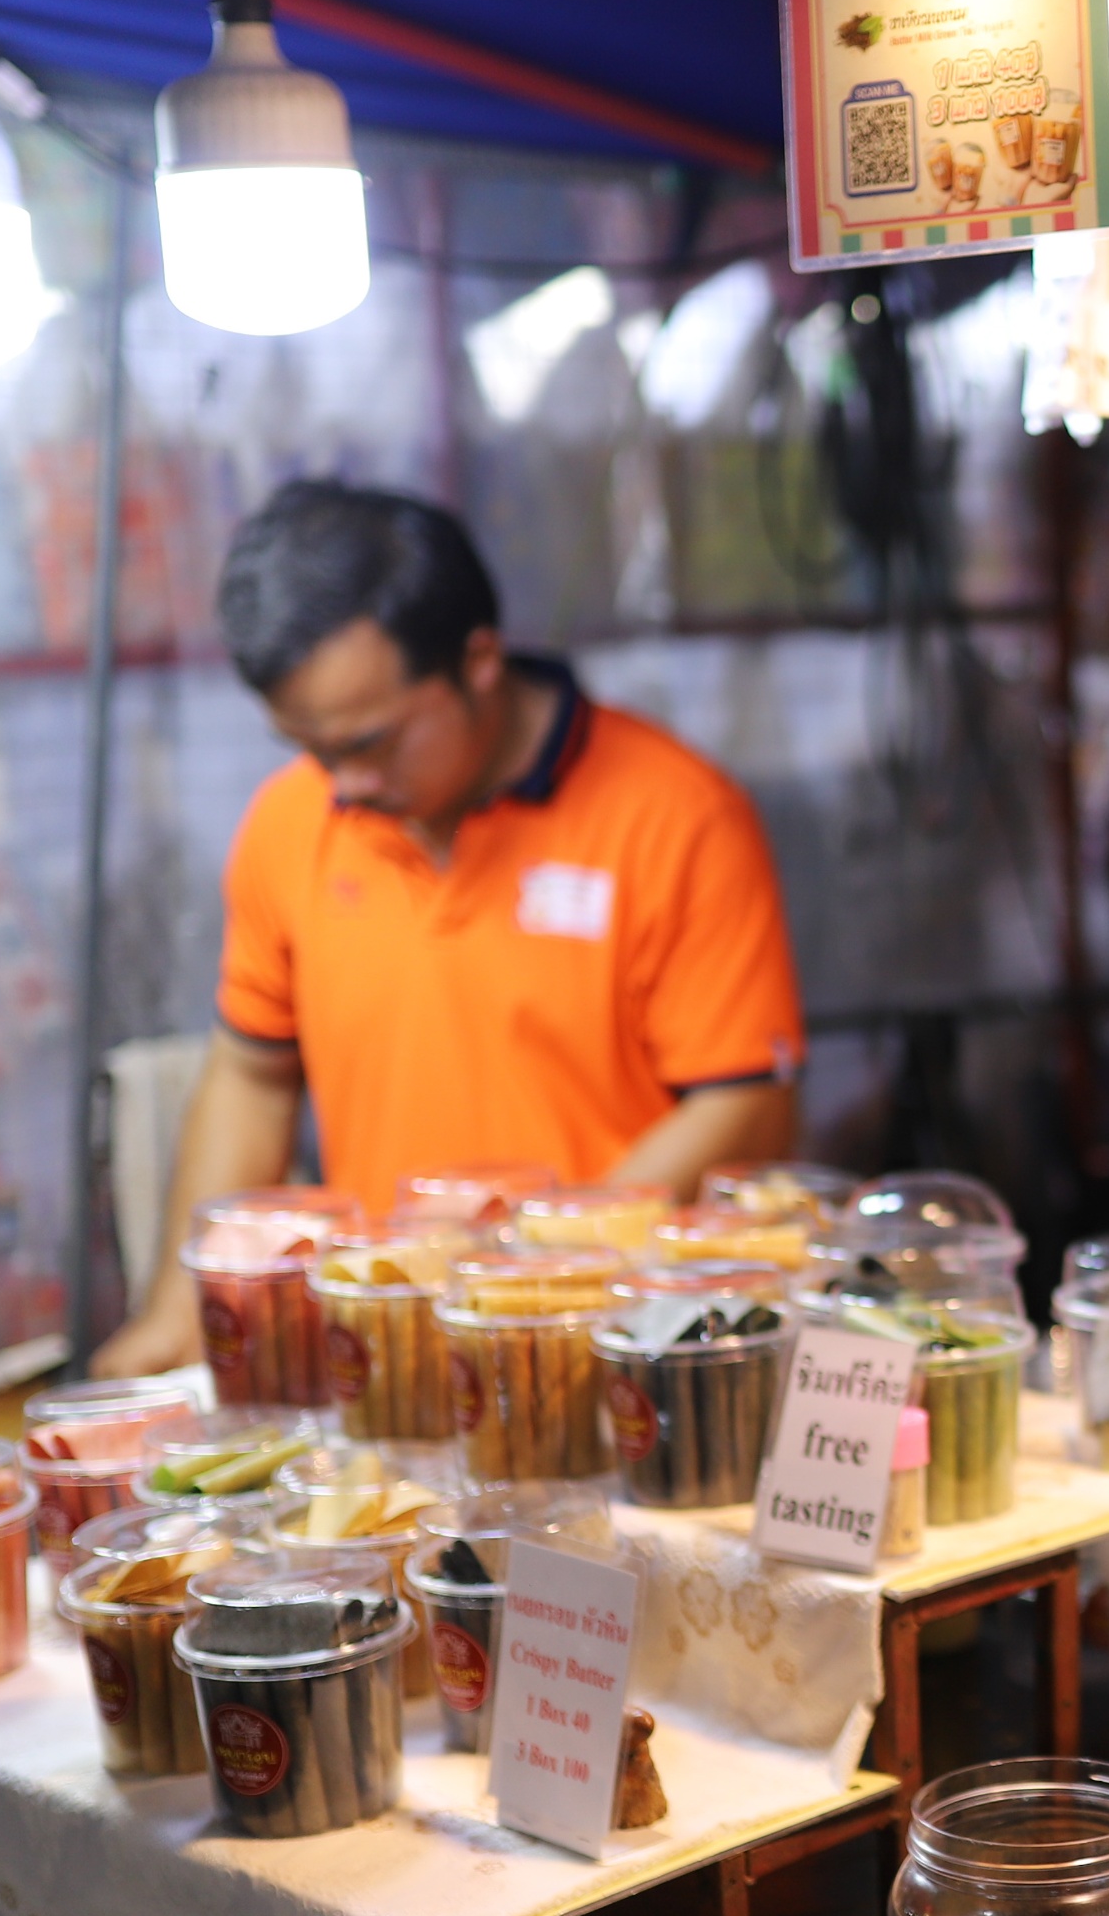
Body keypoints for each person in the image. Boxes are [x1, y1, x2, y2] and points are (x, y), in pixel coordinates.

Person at [93, 484, 804, 1376]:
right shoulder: (288, 825)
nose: (344, 785)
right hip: (394, 1358)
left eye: (372, 742)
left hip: (629, 1354)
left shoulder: (675, 818)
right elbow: (252, 1075)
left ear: (477, 660)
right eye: (313, 751)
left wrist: (525, 1280)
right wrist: (176, 1315)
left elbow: (744, 1107)